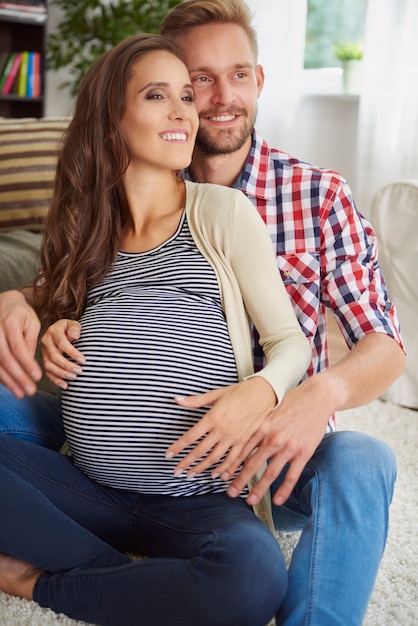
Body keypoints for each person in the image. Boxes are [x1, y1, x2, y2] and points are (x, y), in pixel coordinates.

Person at [0, 1, 405, 624]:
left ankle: (60, 573)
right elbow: (57, 292)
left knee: (354, 469)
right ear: (118, 114)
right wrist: (27, 308)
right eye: (191, 83)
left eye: (236, 75)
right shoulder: (96, 214)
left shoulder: (291, 200)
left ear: (260, 81)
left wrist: (281, 392)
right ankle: (110, 567)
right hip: (91, 464)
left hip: (248, 466)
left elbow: (375, 343)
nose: (209, 100)